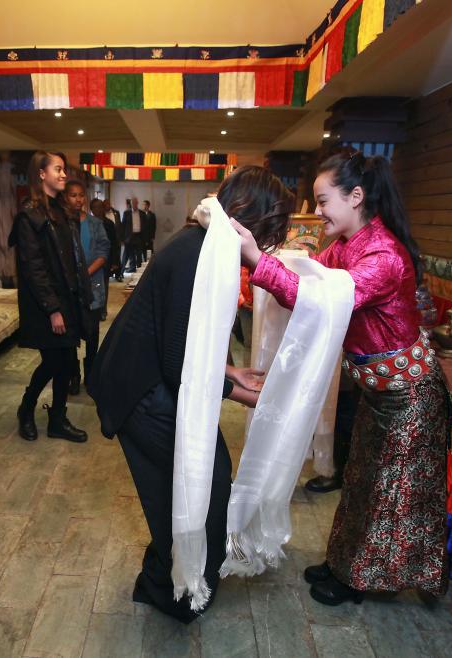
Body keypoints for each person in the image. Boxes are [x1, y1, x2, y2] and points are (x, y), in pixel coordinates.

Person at [236, 151, 451, 606]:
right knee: (361, 482)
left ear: (356, 197)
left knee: (387, 492)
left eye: (322, 201)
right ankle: (345, 562)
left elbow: (316, 297)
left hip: (409, 394)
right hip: (379, 391)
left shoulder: (383, 256)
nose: (317, 212)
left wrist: (256, 258)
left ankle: (362, 579)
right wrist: (265, 253)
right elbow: (306, 276)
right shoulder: (346, 247)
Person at [88, 165, 293, 623]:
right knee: (192, 489)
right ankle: (172, 591)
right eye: (272, 231)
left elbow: (186, 342)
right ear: (251, 217)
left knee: (201, 485)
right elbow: (179, 362)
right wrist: (241, 395)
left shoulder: (206, 242)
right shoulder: (199, 253)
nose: (269, 245)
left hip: (148, 376)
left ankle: (166, 581)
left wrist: (231, 373)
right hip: (139, 388)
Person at [9, 152, 91, 443]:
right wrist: (53, 309)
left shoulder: (62, 211)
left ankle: (58, 419)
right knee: (54, 363)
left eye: (63, 170)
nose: (63, 174)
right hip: (47, 306)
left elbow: (72, 260)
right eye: (58, 169)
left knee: (67, 363)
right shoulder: (29, 214)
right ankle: (27, 408)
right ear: (41, 174)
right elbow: (33, 268)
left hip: (67, 302)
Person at [69, 186, 110, 386]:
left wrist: (85, 273)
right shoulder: (61, 223)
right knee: (70, 336)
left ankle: (91, 371)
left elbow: (104, 251)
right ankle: (73, 374)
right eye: (73, 195)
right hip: (69, 289)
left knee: (92, 332)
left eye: (81, 195)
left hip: (92, 286)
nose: (78, 199)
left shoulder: (95, 223)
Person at [90, 199, 119, 319]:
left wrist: (115, 261)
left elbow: (114, 243)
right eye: (95, 208)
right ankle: (94, 308)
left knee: (104, 285)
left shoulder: (108, 224)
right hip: (91, 259)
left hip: (105, 260)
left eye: (99, 207)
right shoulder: (88, 223)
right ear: (91, 210)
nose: (97, 210)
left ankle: (102, 310)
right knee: (92, 285)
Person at [121, 197, 145, 272]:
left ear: (137, 203)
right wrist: (122, 239)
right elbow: (123, 226)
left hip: (139, 236)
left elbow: (145, 226)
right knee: (128, 254)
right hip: (129, 237)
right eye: (132, 203)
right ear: (131, 204)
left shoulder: (142, 213)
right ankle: (126, 269)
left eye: (135, 203)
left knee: (139, 254)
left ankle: (139, 270)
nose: (134, 205)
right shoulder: (126, 213)